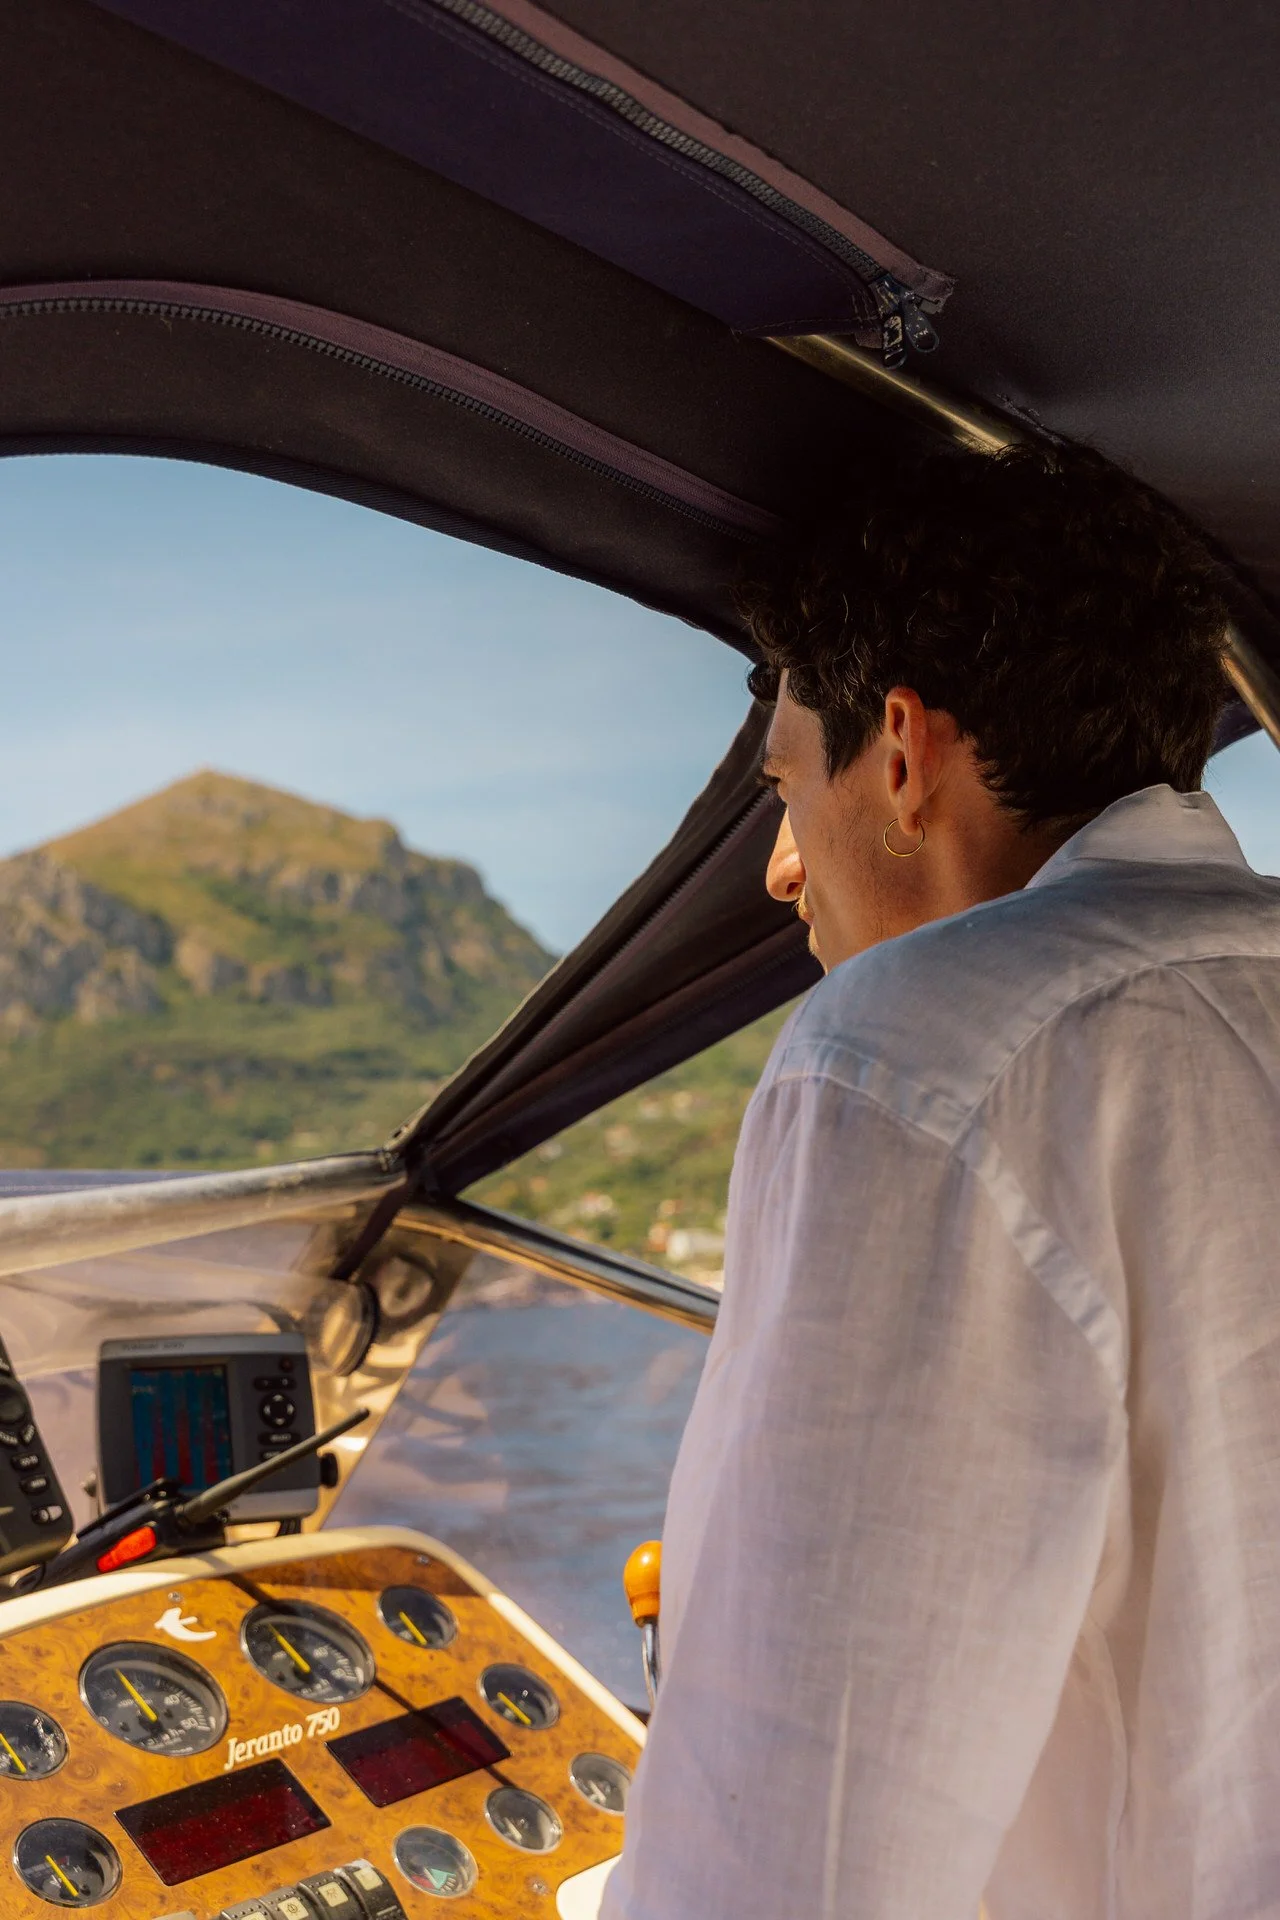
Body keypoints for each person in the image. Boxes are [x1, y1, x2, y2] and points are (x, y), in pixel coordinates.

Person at [601, 445, 1280, 1920]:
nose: (781, 869)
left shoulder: (915, 1055)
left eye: (785, 786)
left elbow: (802, 1840)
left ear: (900, 753)